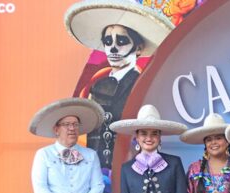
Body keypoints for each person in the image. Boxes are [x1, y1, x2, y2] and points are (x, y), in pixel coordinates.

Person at [65, 0, 174, 168]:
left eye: (121, 41)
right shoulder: (97, 85)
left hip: (132, 167)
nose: (113, 48)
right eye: (108, 42)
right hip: (96, 168)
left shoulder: (144, 84)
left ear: (138, 48)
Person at [110, 105, 188, 193]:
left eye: (154, 134)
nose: (149, 138)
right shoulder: (127, 168)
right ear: (137, 137)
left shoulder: (174, 163)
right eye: (144, 133)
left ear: (160, 137)